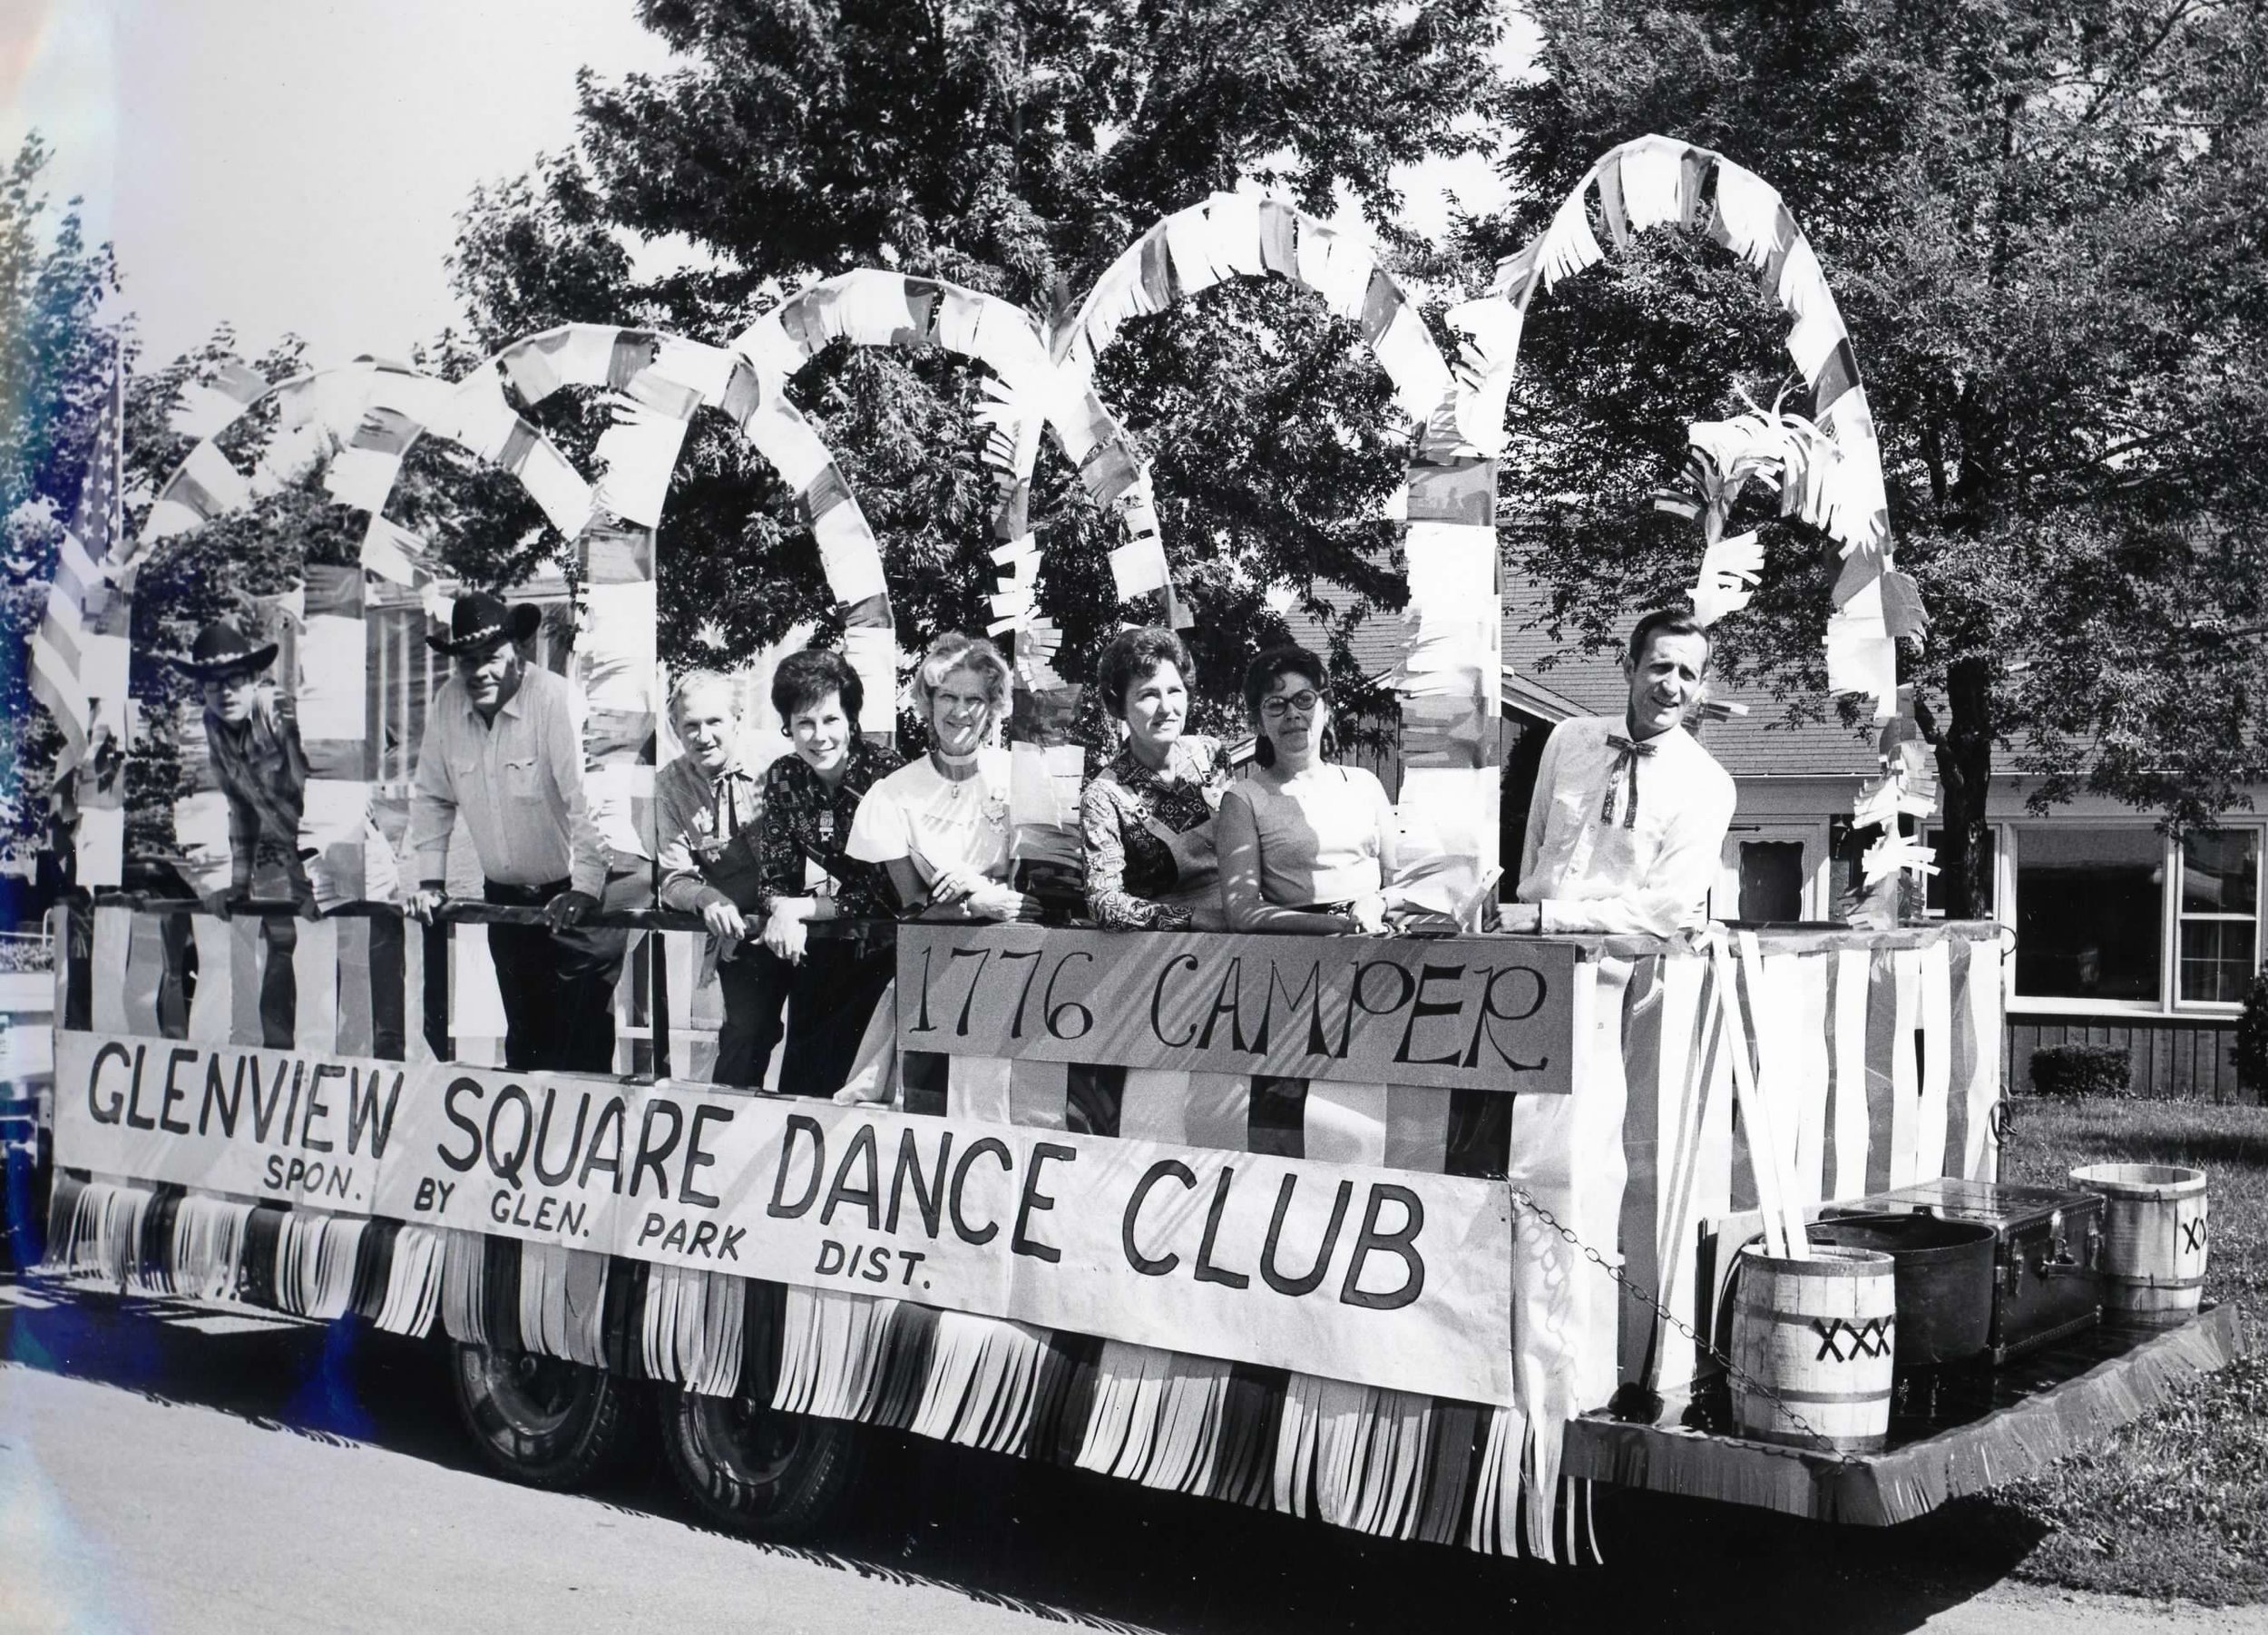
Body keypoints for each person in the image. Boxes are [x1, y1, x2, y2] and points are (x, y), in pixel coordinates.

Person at [404, 592, 624, 1073]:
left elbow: (589, 803)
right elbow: (432, 798)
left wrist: (586, 890)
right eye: (468, 661)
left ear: (518, 654)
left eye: (491, 658)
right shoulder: (446, 704)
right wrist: (429, 881)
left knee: (580, 1061)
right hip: (508, 905)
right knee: (525, 1053)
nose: (479, 672)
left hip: (575, 903)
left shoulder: (556, 700)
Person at [1502, 608, 1737, 936]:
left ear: (1699, 685)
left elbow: (1664, 908)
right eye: (1660, 667)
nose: (1671, 686)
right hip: (1535, 951)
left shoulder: (1708, 784)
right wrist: (1529, 914)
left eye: (1687, 674)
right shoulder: (1569, 738)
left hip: (1625, 964)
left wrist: (1551, 917)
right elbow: (1535, 848)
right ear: (1630, 669)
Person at [755, 648, 905, 1094]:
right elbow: (772, 881)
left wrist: (797, 909)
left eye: (830, 720)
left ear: (851, 721)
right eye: (804, 723)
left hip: (887, 954)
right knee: (804, 1087)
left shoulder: (884, 773)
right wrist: (784, 910)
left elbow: (883, 891)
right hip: (827, 947)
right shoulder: (783, 776)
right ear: (789, 727)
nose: (818, 736)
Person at [172, 619, 314, 1047]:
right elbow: (241, 809)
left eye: (235, 681)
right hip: (289, 857)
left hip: (343, 852)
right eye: (213, 685)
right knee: (287, 963)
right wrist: (236, 883)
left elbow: (322, 794)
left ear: (255, 679)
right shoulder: (213, 725)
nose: (225, 693)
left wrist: (325, 881)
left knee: (348, 973)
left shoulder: (280, 711)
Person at [846, 631, 1038, 922]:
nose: (960, 711)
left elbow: (1032, 897)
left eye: (974, 699)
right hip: (935, 951)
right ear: (930, 701)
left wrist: (976, 885)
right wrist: (975, 905)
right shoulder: (893, 794)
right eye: (948, 696)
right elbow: (912, 905)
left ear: (990, 707)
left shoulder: (1021, 778)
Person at [654, 669, 784, 1089]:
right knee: (744, 1037)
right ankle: (727, 1141)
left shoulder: (782, 760)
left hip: (808, 925)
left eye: (714, 722)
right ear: (675, 730)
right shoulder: (670, 786)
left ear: (737, 719)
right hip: (742, 934)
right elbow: (672, 878)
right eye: (690, 725)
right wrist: (707, 897)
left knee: (817, 1045)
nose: (703, 736)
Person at [1216, 645, 1403, 935]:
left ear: (1325, 710)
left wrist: (1377, 903)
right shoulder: (1244, 800)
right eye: (1276, 704)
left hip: (1378, 939)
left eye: (1304, 700)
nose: (1292, 714)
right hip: (1301, 953)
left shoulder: (1366, 785)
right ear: (1258, 724)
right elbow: (1242, 911)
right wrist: (1336, 925)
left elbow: (1402, 882)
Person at [1080, 626, 1232, 930]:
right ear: (1119, 706)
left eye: (1175, 691)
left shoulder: (1211, 754)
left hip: (1239, 921)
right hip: (1163, 950)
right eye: (1148, 695)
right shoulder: (1104, 796)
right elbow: (1104, 903)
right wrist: (1196, 919)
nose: (1167, 708)